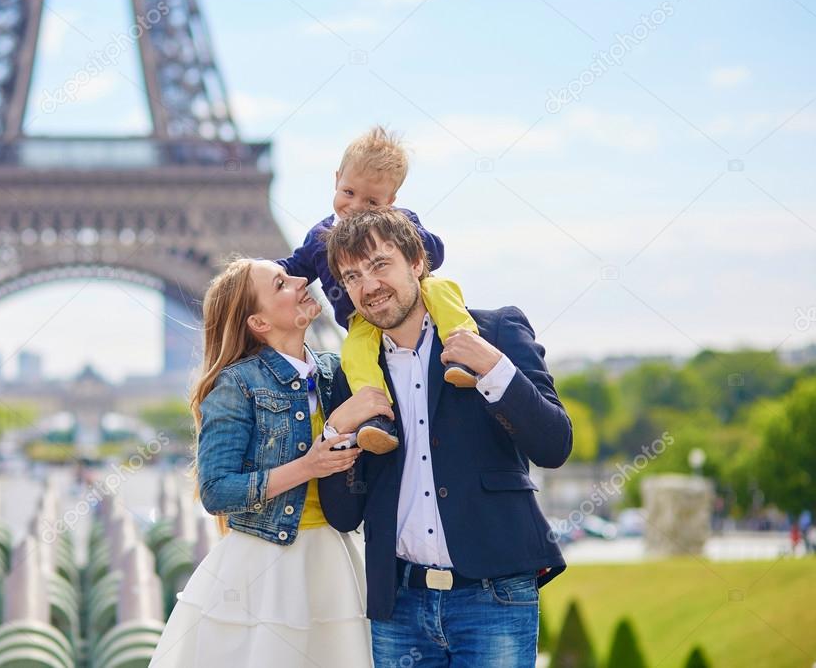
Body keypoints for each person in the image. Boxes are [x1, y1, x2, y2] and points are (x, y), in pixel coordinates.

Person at [319, 207, 574, 667]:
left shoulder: (493, 331)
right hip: (398, 605)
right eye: (352, 276)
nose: (369, 286)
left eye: (380, 264)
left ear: (417, 262)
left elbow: (554, 445)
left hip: (493, 596)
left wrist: (494, 368)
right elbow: (343, 512)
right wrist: (338, 431)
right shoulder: (353, 378)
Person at [149, 258, 389, 668]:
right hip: (264, 565)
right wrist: (308, 466)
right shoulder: (237, 383)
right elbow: (216, 490)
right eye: (281, 283)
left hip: (333, 561)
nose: (301, 280)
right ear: (258, 323)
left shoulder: (337, 372)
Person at [278, 126, 481, 455]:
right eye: (348, 193)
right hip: (361, 319)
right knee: (355, 355)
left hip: (415, 301)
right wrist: (253, 272)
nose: (356, 206)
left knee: (443, 290)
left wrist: (394, 229)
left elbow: (436, 253)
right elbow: (293, 268)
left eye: (371, 201)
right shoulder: (320, 236)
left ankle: (466, 353)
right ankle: (376, 416)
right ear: (336, 178)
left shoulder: (400, 221)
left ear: (390, 201)